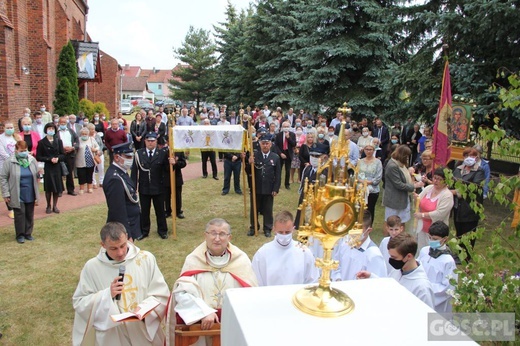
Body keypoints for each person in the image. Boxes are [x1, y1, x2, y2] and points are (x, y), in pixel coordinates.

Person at [72, 222, 170, 346]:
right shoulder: (92, 267)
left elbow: (161, 294)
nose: (120, 253)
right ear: (103, 245)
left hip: (141, 332)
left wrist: (143, 309)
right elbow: (80, 302)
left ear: (127, 237)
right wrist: (107, 295)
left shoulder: (146, 259)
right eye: (113, 248)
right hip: (112, 335)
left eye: (123, 245)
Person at [166, 218, 258, 345]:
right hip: (202, 327)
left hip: (232, 325)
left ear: (229, 237)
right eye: (213, 233)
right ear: (205, 236)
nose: (217, 238)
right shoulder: (194, 260)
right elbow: (182, 294)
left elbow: (251, 296)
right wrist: (203, 312)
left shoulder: (241, 261)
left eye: (222, 234)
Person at [357, 232, 435, 309]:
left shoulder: (422, 288)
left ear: (409, 256)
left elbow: (427, 317)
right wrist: (371, 277)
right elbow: (390, 288)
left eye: (394, 257)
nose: (391, 260)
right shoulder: (398, 270)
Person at [252, 210, 319, 286]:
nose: (284, 235)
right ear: (274, 229)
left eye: (287, 232)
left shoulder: (304, 252)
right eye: (280, 232)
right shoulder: (262, 254)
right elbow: (256, 282)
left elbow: (313, 281)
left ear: (293, 229)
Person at [131, 132, 171, 239]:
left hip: (159, 187)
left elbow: (167, 170)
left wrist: (171, 163)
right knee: (144, 211)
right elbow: (134, 172)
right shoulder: (139, 154)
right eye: (148, 141)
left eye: (152, 141)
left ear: (156, 141)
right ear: (145, 141)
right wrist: (133, 188)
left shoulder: (162, 153)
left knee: (160, 211)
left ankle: (162, 230)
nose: (150, 143)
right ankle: (144, 231)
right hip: (144, 188)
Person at [0, 141, 39, 243]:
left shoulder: (32, 160)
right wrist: (6, 193)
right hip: (17, 192)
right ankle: (20, 234)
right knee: (20, 214)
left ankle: (28, 233)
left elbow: (36, 173)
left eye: (25, 150)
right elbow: (3, 178)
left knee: (29, 214)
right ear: (16, 150)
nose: (24, 152)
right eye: (21, 151)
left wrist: (39, 174)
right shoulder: (9, 162)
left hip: (30, 191)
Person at [451, 147, 485, 262]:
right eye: (466, 156)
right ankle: (458, 252)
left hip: (470, 207)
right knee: (459, 231)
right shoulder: (458, 169)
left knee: (468, 232)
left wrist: (457, 191)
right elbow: (451, 182)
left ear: (476, 158)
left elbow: (475, 187)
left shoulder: (479, 171)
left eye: (471, 156)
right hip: (457, 207)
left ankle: (466, 256)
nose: (468, 158)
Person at [331, 210, 387, 281]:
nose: (354, 232)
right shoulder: (345, 243)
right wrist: (338, 279)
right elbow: (336, 265)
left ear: (368, 230)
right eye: (353, 228)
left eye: (359, 229)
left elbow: (378, 282)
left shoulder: (373, 255)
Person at [103, 142, 142, 241]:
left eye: (131, 157)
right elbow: (118, 210)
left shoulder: (121, 172)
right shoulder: (114, 179)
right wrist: (127, 234)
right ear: (117, 157)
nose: (130, 160)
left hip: (132, 222)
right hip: (124, 227)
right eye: (127, 157)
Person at [417, 221, 457, 313]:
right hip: (421, 293)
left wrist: (427, 288)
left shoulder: (448, 261)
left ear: (445, 239)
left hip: (437, 302)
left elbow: (448, 288)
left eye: (435, 239)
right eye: (430, 238)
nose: (431, 241)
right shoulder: (424, 251)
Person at [246, 134, 281, 237]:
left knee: (268, 209)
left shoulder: (275, 157)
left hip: (269, 188)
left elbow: (278, 175)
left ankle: (267, 228)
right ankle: (254, 227)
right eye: (263, 143)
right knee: (254, 208)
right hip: (256, 186)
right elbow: (248, 172)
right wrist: (249, 163)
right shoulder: (255, 155)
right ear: (259, 144)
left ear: (270, 144)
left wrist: (276, 188)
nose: (265, 146)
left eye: (267, 143)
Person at [413, 167, 454, 250]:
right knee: (421, 250)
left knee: (432, 251)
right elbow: (418, 203)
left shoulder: (447, 195)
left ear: (445, 181)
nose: (435, 181)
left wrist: (422, 215)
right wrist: (416, 199)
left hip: (436, 233)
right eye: (434, 178)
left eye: (439, 179)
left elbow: (440, 214)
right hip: (422, 228)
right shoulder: (429, 188)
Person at [383, 145, 423, 227]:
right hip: (394, 200)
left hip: (402, 199)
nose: (408, 159)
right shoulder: (392, 166)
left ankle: (401, 239)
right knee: (391, 223)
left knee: (402, 223)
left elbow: (403, 177)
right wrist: (414, 186)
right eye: (407, 157)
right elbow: (399, 184)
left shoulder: (400, 164)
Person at [294, 143, 328, 229]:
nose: (313, 158)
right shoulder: (308, 169)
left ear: (324, 157)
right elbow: (302, 187)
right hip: (305, 201)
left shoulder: (327, 171)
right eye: (312, 155)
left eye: (317, 156)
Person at [36, 123, 65, 214]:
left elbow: (63, 154)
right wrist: (49, 159)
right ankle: (48, 205)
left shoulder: (58, 141)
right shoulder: (41, 142)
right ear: (46, 130)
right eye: (49, 128)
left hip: (57, 166)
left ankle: (55, 205)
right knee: (48, 188)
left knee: (57, 187)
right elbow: (39, 156)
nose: (51, 130)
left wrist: (58, 158)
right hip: (48, 166)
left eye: (52, 128)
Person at [357, 144, 383, 225]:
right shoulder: (360, 161)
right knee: (359, 208)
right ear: (364, 150)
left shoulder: (378, 162)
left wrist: (369, 182)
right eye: (367, 149)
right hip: (360, 188)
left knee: (370, 209)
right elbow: (356, 174)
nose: (368, 151)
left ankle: (368, 225)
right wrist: (361, 182)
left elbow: (378, 177)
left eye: (370, 149)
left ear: (373, 150)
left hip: (373, 190)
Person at [57, 116, 79, 195]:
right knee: (59, 172)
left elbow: (77, 140)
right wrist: (62, 148)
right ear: (59, 123)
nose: (63, 124)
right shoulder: (56, 132)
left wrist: (73, 148)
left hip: (70, 154)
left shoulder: (71, 131)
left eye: (64, 123)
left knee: (70, 172)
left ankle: (70, 189)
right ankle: (59, 190)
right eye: (61, 123)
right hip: (60, 154)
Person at [0, 121, 18, 218]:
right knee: (7, 187)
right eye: (8, 127)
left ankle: (16, 206)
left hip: (16, 165)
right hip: (4, 165)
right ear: (3, 128)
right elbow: (2, 153)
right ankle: (10, 208)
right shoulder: (1, 139)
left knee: (15, 186)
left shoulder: (16, 137)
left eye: (11, 127)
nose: (10, 129)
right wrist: (12, 159)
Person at [74, 127, 99, 194]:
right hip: (80, 161)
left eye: (85, 134)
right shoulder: (78, 140)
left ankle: (89, 188)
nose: (84, 135)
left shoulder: (91, 139)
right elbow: (75, 147)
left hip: (90, 161)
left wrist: (95, 149)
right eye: (83, 134)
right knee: (81, 175)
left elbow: (97, 146)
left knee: (89, 174)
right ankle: (81, 189)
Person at [275, 121, 296, 190]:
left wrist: (288, 137)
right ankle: (277, 184)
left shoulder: (292, 134)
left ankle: (287, 184)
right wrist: (280, 153)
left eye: (287, 127)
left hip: (288, 153)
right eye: (284, 127)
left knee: (287, 170)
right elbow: (276, 145)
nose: (286, 128)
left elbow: (294, 144)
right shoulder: (278, 135)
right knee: (278, 170)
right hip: (280, 153)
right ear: (282, 127)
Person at [87, 123, 105, 189]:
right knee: (92, 169)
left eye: (94, 129)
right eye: (91, 129)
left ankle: (101, 181)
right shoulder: (87, 137)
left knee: (101, 168)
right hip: (91, 155)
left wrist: (99, 151)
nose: (93, 130)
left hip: (99, 154)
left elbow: (101, 144)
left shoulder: (97, 136)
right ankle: (94, 182)